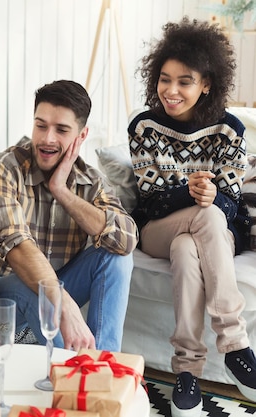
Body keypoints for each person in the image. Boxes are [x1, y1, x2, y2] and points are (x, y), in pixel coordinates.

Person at [129, 17, 256, 416]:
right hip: (155, 231)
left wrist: (216, 196)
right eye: (165, 79)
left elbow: (233, 209)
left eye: (184, 81)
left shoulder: (230, 131)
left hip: (213, 233)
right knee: (200, 221)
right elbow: (148, 203)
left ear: (206, 84)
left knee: (191, 244)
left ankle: (187, 370)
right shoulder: (144, 127)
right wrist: (188, 192)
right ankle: (235, 343)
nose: (171, 90)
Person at [0, 80, 137, 353]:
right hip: (2, 297)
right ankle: (74, 374)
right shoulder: (4, 170)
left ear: (81, 136)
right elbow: (17, 247)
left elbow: (127, 239)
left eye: (61, 130)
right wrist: (65, 304)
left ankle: (105, 365)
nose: (47, 138)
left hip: (53, 290)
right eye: (41, 125)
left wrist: (62, 191)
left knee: (115, 256)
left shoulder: (91, 181)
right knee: (31, 284)